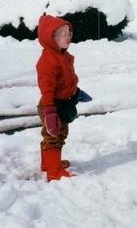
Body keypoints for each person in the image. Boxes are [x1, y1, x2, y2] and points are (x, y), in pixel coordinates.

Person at [36, 14, 90, 182]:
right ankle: (53, 171)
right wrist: (50, 112)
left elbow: (66, 81)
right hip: (52, 105)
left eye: (69, 33)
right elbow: (47, 89)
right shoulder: (48, 61)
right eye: (63, 34)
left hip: (62, 103)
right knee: (54, 137)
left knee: (55, 135)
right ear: (51, 38)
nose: (68, 37)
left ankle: (48, 164)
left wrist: (77, 92)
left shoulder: (63, 56)